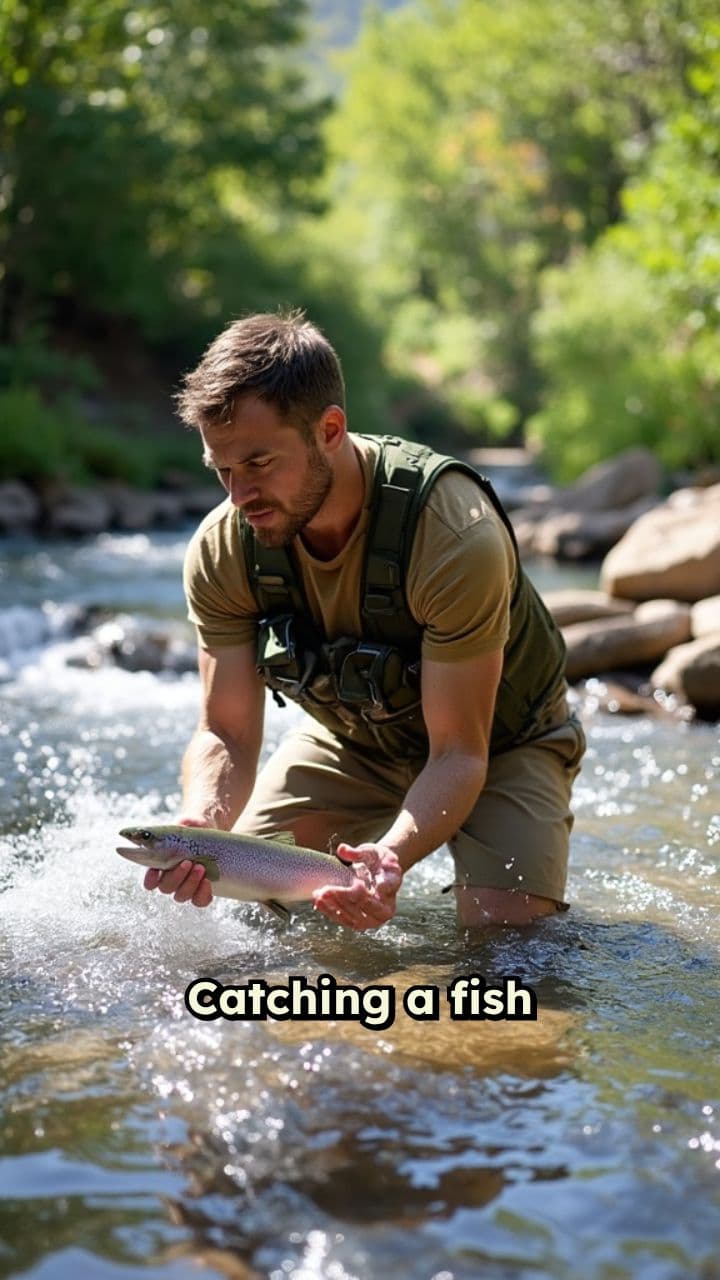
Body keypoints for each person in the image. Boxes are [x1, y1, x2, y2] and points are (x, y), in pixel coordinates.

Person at [144, 311, 585, 931]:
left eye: (260, 463)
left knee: (504, 952)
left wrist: (388, 859)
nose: (239, 496)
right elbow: (226, 731)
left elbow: (460, 754)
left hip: (502, 742)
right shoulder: (224, 549)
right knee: (253, 912)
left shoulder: (455, 536)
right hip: (356, 740)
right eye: (222, 470)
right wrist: (202, 822)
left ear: (329, 429)